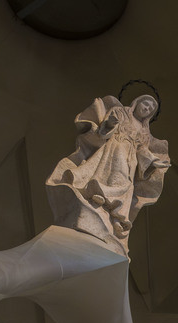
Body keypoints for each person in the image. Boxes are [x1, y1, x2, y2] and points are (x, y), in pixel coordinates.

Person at [45, 93, 170, 254]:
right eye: (146, 104)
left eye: (151, 109)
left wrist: (153, 162)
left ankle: (117, 218)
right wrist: (109, 124)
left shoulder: (144, 131)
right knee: (114, 174)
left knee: (127, 186)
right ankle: (99, 196)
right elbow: (104, 131)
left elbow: (142, 150)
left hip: (130, 160)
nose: (147, 109)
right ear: (137, 102)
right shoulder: (120, 112)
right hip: (114, 148)